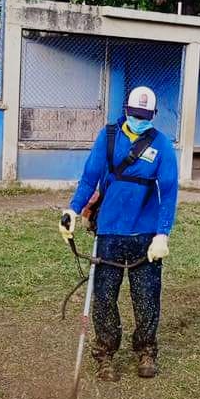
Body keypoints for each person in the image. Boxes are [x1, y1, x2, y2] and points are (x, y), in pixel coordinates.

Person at [59, 86, 179, 381]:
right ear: (126, 110)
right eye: (135, 114)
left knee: (147, 296)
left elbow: (169, 192)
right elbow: (89, 178)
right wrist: (73, 210)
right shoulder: (108, 137)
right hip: (109, 232)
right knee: (103, 296)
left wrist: (162, 234)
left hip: (145, 234)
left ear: (153, 115)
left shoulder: (162, 145)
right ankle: (105, 353)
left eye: (144, 116)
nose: (139, 119)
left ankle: (146, 350)